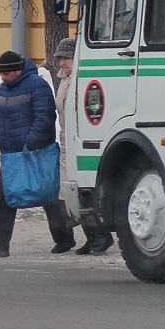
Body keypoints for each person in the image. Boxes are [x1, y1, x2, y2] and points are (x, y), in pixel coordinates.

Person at [0, 51, 75, 257]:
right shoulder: (3, 89)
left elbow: (45, 117)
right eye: (1, 73)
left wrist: (32, 143)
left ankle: (64, 237)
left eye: (6, 73)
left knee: (47, 193)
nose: (2, 77)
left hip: (36, 152)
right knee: (6, 196)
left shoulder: (37, 86)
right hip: (11, 154)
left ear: (18, 70)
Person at [52, 38, 114, 255]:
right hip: (65, 141)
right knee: (69, 192)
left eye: (66, 58)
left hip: (78, 140)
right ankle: (91, 236)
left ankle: (101, 235)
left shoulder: (83, 80)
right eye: (60, 59)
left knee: (82, 190)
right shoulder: (65, 80)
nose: (62, 63)